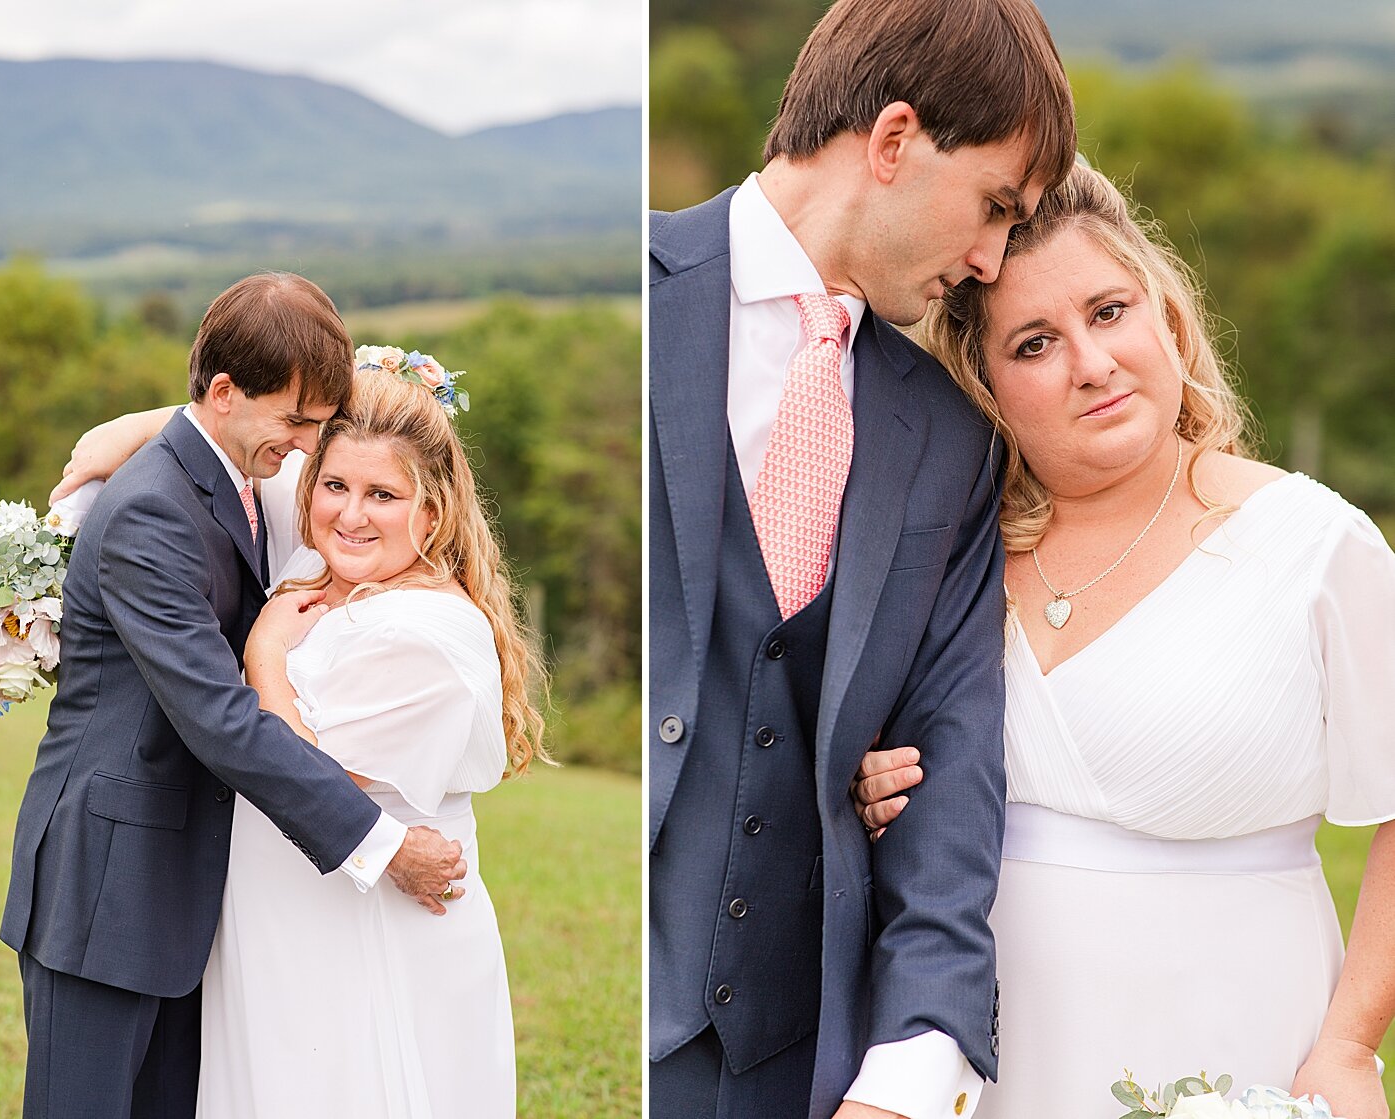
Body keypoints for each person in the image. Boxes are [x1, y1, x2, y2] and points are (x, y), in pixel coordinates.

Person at [854, 162, 1395, 1118]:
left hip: (1231, 1037)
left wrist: (1350, 1043)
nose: (1091, 362)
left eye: (1109, 312)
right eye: (1035, 344)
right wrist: (868, 791)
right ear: (985, 387)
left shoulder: (1312, 544)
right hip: (983, 1052)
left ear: (1169, 321)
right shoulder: (950, 562)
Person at [648, 0, 1075, 1116]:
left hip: (815, 1067)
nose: (990, 262)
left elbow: (954, 762)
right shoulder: (630, 293)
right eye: (993, 207)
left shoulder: (952, 437)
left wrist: (913, 1063)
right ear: (892, 141)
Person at [1, 274, 466, 1118]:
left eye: (316, 424)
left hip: (178, 898)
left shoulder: (234, 475)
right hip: (106, 890)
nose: (304, 446)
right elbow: (219, 719)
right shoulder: (153, 512)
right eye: (294, 421)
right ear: (222, 393)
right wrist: (382, 845)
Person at [195, 357, 544, 1116]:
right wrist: (98, 453)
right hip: (287, 920)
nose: (350, 514)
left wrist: (264, 657)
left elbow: (310, 776)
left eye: (383, 495)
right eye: (336, 486)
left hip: (364, 933)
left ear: (434, 511)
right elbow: (212, 436)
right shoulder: (335, 556)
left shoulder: (428, 635)